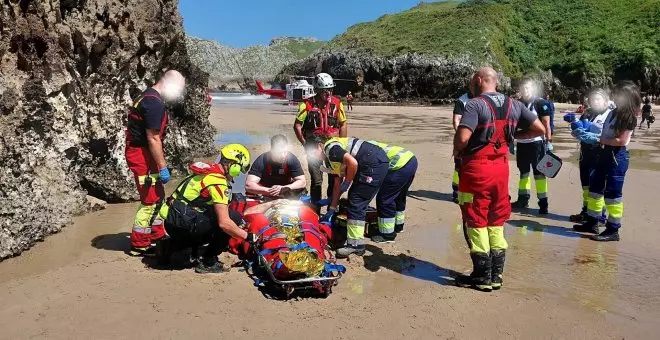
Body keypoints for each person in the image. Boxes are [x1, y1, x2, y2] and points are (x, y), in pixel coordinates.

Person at [453, 67, 545, 291]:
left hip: (477, 169)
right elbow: (539, 128)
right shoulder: (515, 104)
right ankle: (496, 275)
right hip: (502, 169)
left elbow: (463, 137)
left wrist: (457, 151)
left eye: (472, 82)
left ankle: (482, 275)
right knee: (496, 219)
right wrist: (514, 137)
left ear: (478, 80)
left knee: (475, 219)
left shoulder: (474, 104)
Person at [156, 144, 256, 273]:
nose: (237, 176)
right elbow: (224, 223)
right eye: (238, 170)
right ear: (233, 165)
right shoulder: (217, 182)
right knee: (233, 218)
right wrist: (247, 236)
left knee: (212, 218)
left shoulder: (207, 172)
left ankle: (169, 246)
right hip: (183, 224)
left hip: (172, 222)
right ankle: (208, 262)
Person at [124, 70, 186, 256]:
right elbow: (153, 138)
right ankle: (140, 244)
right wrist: (163, 167)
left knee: (158, 198)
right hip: (142, 156)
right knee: (150, 202)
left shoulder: (147, 97)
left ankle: (156, 235)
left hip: (144, 154)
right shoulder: (153, 103)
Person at [574, 81, 640, 242]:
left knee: (612, 194)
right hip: (604, 153)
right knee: (595, 190)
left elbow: (621, 141)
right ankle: (592, 222)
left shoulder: (629, 116)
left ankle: (613, 229)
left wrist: (598, 139)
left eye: (618, 94)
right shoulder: (613, 112)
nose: (615, 97)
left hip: (617, 157)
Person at [307, 136, 389, 258]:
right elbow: (337, 184)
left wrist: (348, 182)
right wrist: (332, 208)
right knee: (355, 200)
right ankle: (356, 243)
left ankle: (355, 245)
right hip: (372, 162)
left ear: (320, 146)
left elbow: (353, 163)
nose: (313, 156)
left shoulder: (331, 149)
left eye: (312, 152)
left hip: (373, 163)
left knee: (356, 202)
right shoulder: (331, 157)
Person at [293, 73, 348, 211]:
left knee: (334, 179)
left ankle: (331, 209)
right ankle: (315, 211)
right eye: (324, 90)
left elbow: (343, 124)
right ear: (317, 89)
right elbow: (297, 125)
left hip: (333, 148)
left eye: (330, 89)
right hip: (313, 148)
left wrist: (342, 144)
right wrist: (305, 143)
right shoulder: (306, 105)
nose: (328, 93)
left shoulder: (337, 103)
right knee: (317, 181)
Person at [569, 89, 612, 225]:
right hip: (585, 153)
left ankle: (600, 216)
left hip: (600, 153)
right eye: (592, 99)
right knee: (586, 185)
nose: (594, 102)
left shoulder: (610, 115)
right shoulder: (587, 113)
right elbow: (579, 129)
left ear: (605, 100)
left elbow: (613, 136)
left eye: (598, 99)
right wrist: (576, 130)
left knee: (598, 187)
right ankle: (587, 212)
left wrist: (595, 138)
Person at [511, 78, 553, 214]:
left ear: (533, 89)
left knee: (539, 173)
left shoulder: (541, 104)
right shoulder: (517, 104)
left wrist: (549, 142)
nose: (525, 90)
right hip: (522, 144)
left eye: (528, 88)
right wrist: (512, 141)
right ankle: (523, 199)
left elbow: (546, 124)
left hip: (537, 144)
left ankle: (543, 203)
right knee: (523, 172)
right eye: (523, 88)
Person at [367, 141, 418, 242]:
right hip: (410, 159)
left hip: (399, 166)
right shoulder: (367, 145)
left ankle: (387, 235)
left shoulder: (363, 154)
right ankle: (398, 226)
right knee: (399, 196)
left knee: (384, 199)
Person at [245, 135, 306, 199]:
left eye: (285, 152)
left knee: (301, 190)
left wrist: (284, 188)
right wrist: (271, 191)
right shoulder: (262, 160)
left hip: (285, 191)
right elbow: (248, 185)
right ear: (272, 151)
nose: (283, 156)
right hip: (265, 191)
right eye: (279, 153)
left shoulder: (291, 159)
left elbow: (302, 182)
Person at [451, 93, 470, 204]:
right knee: (459, 167)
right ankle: (456, 193)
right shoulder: (462, 101)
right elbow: (456, 120)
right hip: (463, 139)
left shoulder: (483, 97)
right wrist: (462, 136)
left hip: (477, 141)